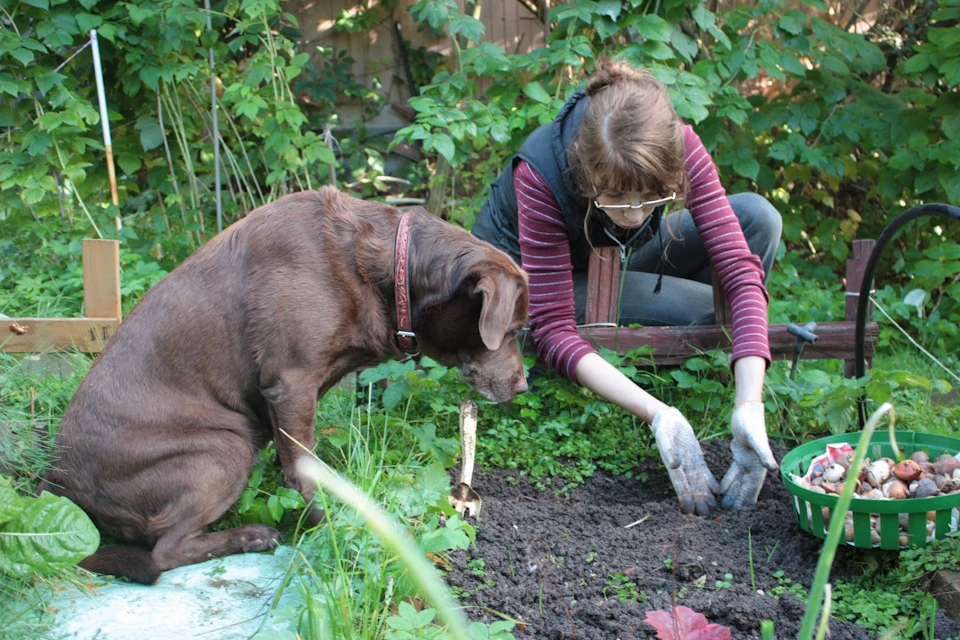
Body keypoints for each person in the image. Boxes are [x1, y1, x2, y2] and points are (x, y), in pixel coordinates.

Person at [472, 61, 782, 515]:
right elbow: (552, 327)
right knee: (701, 309)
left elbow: (738, 268)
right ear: (588, 174)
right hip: (525, 292)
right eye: (617, 198)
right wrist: (660, 415)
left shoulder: (672, 144)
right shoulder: (541, 172)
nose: (636, 215)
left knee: (758, 217)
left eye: (649, 198)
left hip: (609, 259)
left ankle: (717, 377)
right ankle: (677, 367)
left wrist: (749, 405)